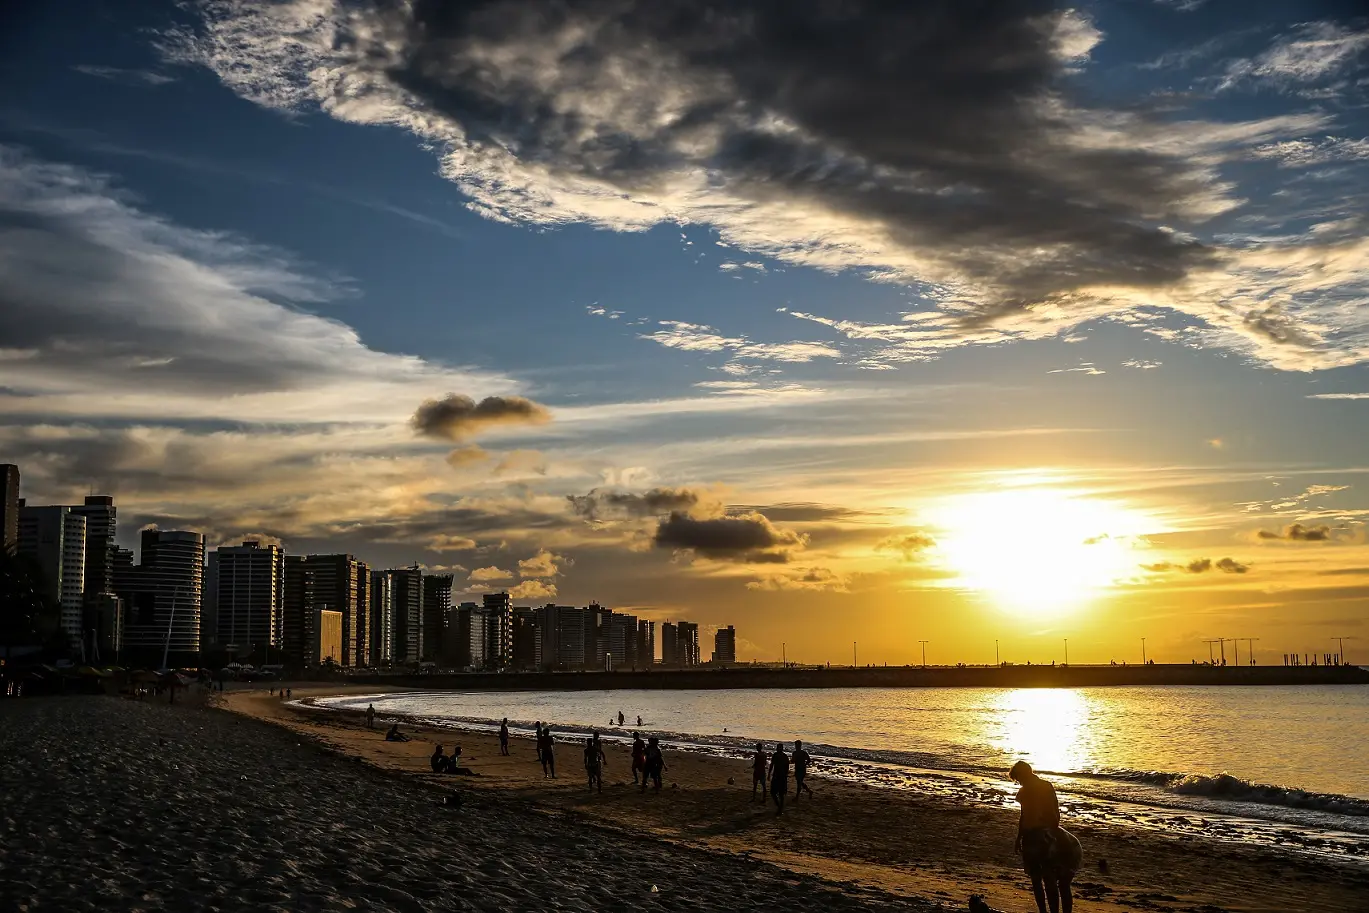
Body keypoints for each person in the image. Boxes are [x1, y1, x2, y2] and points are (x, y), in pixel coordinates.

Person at [1010, 760, 1074, 913]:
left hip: (1040, 837)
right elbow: (1027, 815)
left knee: (1044, 879)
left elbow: (1049, 813)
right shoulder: (1041, 787)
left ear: (1023, 774)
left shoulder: (1036, 788)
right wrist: (1020, 837)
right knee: (1042, 879)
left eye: (1018, 779)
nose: (1019, 783)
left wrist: (1051, 832)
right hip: (1036, 836)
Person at [768, 743, 790, 815]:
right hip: (776, 776)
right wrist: (769, 774)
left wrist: (785, 776)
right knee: (773, 792)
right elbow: (772, 765)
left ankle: (780, 809)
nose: (778, 749)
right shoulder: (776, 755)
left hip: (781, 777)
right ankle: (779, 806)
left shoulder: (784, 756)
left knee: (780, 794)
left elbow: (787, 767)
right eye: (778, 748)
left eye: (779, 748)